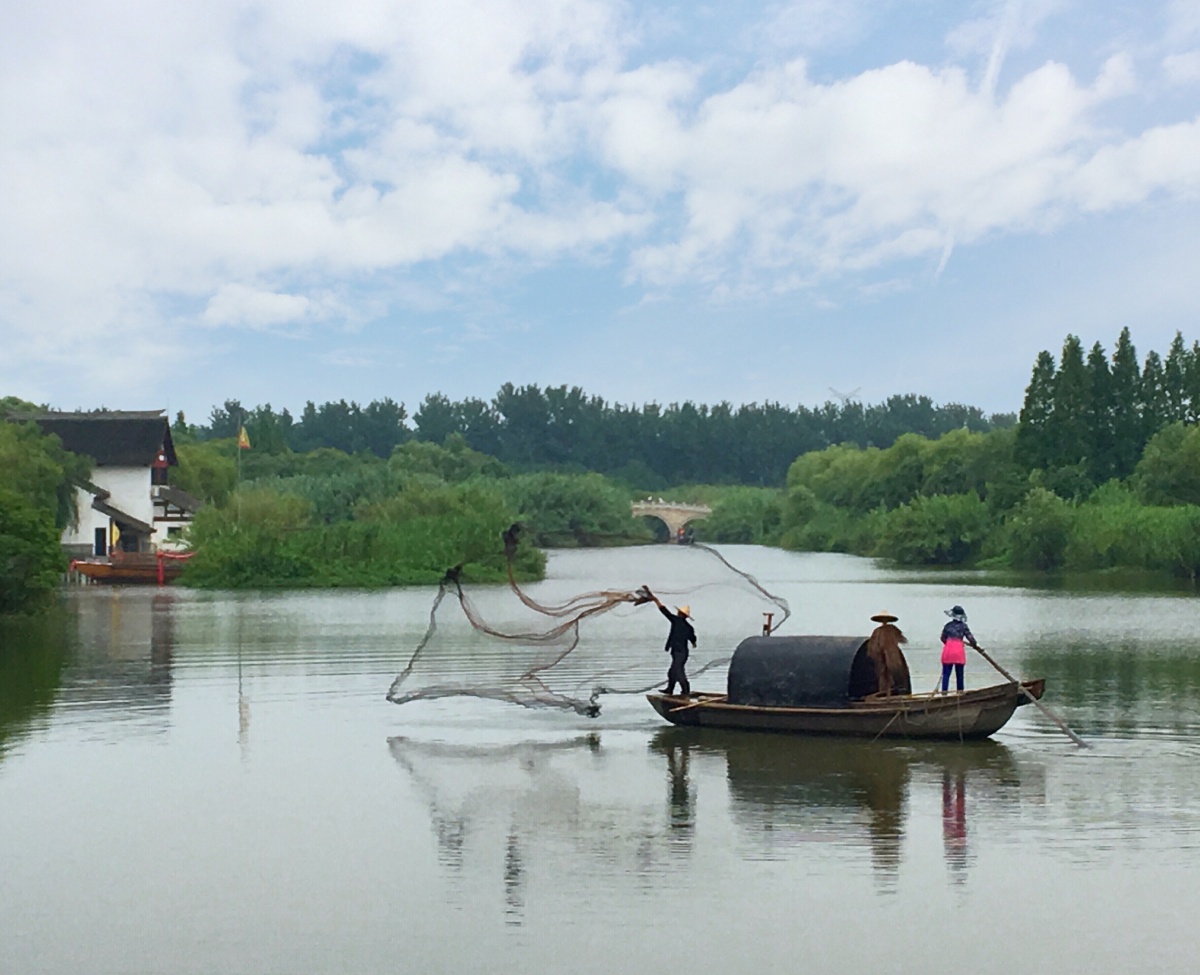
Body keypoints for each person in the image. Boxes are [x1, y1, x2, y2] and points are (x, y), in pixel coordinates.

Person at [644, 587, 697, 696]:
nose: (677, 613)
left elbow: (664, 611)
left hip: (679, 652)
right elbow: (693, 639)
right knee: (672, 672)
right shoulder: (689, 627)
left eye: (679, 612)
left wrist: (656, 600)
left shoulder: (676, 621)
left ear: (681, 614)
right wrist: (693, 643)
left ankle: (685, 691)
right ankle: (670, 689)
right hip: (681, 652)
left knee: (678, 671)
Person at [866, 611, 911, 696]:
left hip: (886, 656)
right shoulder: (890, 630)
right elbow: (903, 640)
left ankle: (886, 693)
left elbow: (872, 648)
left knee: (884, 674)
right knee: (886, 674)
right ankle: (887, 694)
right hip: (888, 656)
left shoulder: (879, 631)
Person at [939, 605, 978, 693]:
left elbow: (942, 638)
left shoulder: (947, 626)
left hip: (948, 650)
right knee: (960, 675)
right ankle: (960, 692)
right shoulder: (963, 626)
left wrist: (949, 644)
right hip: (959, 650)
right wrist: (974, 645)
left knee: (946, 674)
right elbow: (970, 638)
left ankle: (944, 693)